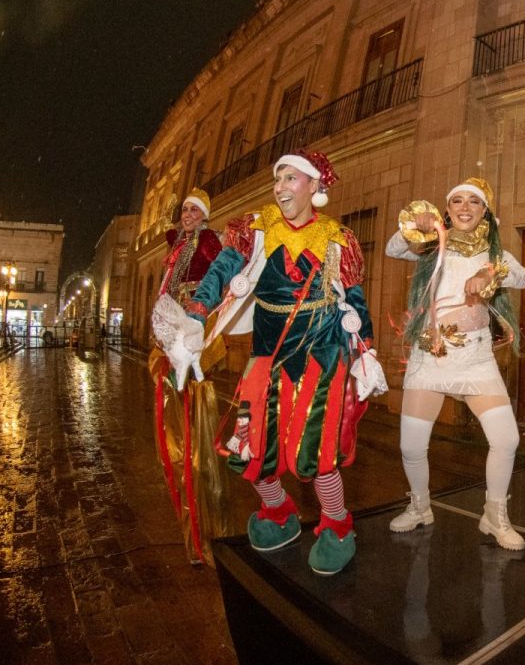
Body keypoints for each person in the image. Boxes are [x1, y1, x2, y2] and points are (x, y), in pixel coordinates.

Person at [154, 149, 386, 575]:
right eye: (277, 179)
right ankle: (279, 512)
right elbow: (221, 271)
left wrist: (366, 349)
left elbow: (353, 299)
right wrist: (194, 317)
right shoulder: (256, 229)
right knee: (252, 449)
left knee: (314, 453)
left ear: (315, 186)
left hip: (323, 357)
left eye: (291, 179)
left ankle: (337, 524)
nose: (280, 187)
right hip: (267, 358)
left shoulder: (338, 239)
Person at [385, 178, 525, 550]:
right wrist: (415, 223)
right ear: (446, 210)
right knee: (412, 446)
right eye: (457, 201)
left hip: (476, 359)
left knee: (507, 439)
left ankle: (494, 514)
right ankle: (420, 507)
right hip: (430, 356)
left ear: (485, 211)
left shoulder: (495, 253)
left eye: (474, 202)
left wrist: (491, 274)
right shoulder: (432, 244)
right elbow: (391, 248)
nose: (465, 207)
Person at [148, 187, 228, 565]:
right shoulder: (176, 247)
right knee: (173, 427)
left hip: (196, 326)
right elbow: (166, 288)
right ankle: (191, 526)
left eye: (195, 210)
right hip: (171, 330)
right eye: (185, 209)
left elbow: (223, 272)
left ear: (205, 216)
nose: (188, 214)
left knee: (195, 428)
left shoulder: (208, 241)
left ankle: (204, 528)